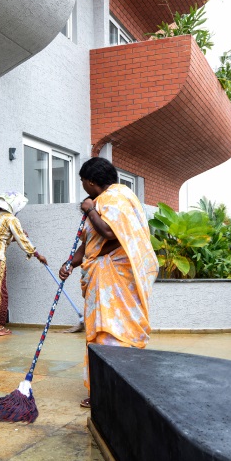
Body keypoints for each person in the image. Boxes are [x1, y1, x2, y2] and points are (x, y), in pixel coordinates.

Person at [59, 156, 158, 407]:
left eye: (82, 181)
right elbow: (91, 244)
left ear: (91, 182)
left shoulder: (114, 199)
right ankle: (106, 388)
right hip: (103, 277)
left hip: (115, 279)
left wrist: (90, 209)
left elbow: (111, 233)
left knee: (112, 332)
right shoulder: (115, 200)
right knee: (103, 331)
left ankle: (113, 390)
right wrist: (70, 263)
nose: (82, 186)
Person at [0, 190, 48, 337]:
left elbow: (0, 237)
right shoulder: (11, 219)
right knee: (0, 292)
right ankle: (0, 327)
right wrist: (38, 255)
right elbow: (23, 241)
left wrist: (16, 236)